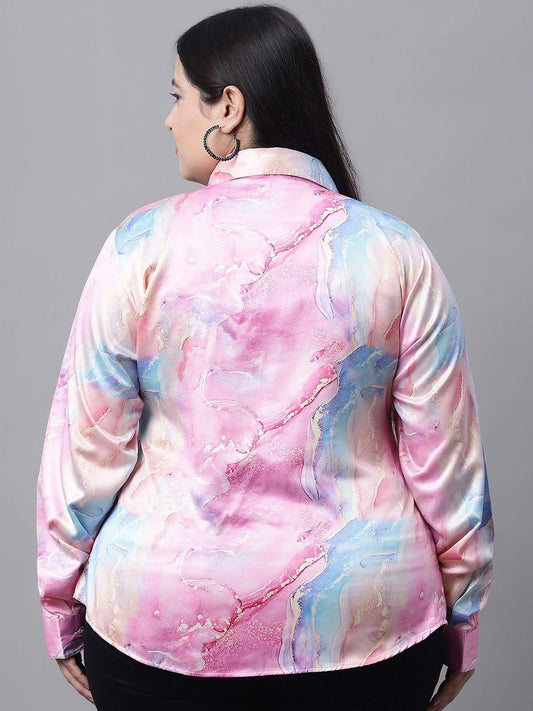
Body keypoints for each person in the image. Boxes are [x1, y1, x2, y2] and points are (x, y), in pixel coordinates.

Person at [36, 5, 494, 710]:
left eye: (178, 97)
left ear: (229, 106)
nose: (168, 120)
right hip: (368, 627)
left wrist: (61, 604)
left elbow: (87, 448)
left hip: (158, 626)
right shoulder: (395, 251)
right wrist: (462, 620)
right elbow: (448, 463)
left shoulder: (140, 245)